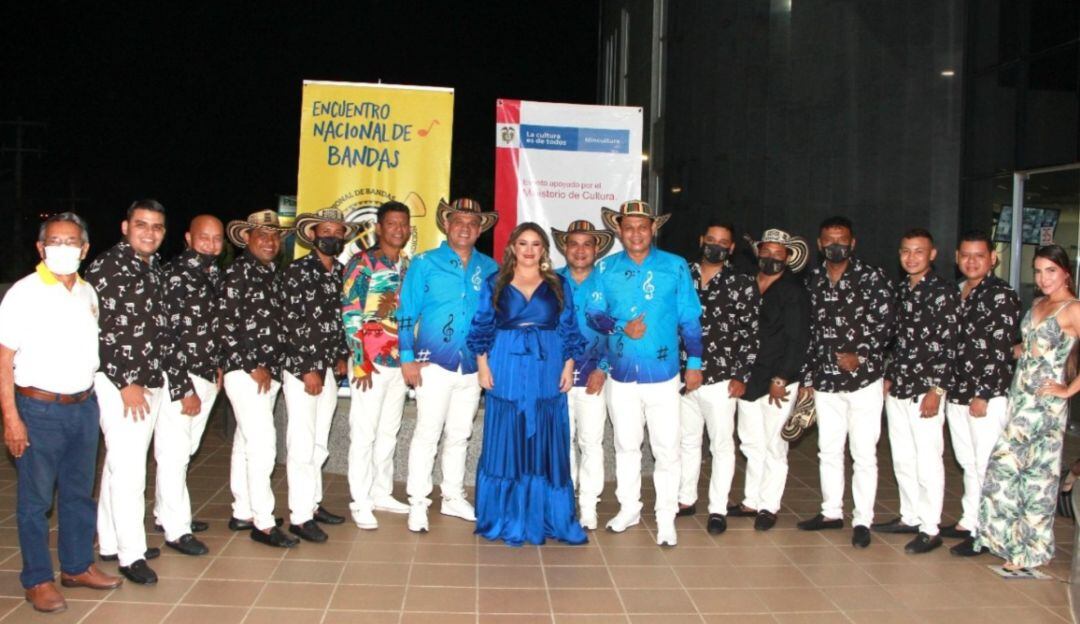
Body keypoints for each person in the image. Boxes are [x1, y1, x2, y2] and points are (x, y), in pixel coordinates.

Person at [0, 213, 123, 612]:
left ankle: (76, 566)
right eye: (55, 241)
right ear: (41, 248)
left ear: (84, 249)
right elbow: (4, 359)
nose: (63, 248)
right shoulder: (24, 293)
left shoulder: (88, 293)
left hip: (82, 407)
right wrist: (11, 418)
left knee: (78, 495)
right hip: (39, 409)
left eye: (72, 242)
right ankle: (37, 579)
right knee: (36, 501)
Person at [587, 200, 703, 547]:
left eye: (642, 226)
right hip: (621, 374)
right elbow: (594, 314)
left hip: (664, 374)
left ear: (653, 229)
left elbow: (690, 318)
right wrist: (622, 326)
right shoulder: (605, 268)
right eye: (629, 227)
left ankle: (666, 516)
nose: (635, 233)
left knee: (667, 448)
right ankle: (629, 509)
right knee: (625, 445)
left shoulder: (675, 266)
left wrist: (694, 363)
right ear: (619, 231)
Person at [467, 223, 588, 546]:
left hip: (547, 365)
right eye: (523, 243)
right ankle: (505, 515)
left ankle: (548, 516)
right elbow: (481, 326)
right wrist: (482, 365)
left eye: (536, 244)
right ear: (512, 247)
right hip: (505, 363)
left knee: (546, 436)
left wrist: (569, 365)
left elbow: (569, 327)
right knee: (507, 433)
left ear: (544, 249)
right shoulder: (495, 282)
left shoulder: (559, 284)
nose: (529, 250)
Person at [975, 244, 1080, 571]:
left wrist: (1067, 390)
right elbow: (1029, 348)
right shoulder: (1038, 304)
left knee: (1036, 477)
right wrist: (1000, 350)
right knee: (1006, 472)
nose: (1043, 278)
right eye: (1038, 271)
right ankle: (1011, 541)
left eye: (1051, 270)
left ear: (1066, 272)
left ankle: (1030, 550)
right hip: (1020, 398)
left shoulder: (1073, 309)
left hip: (1045, 407)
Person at [397, 198, 499, 533]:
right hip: (433, 363)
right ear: (446, 224)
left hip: (471, 365)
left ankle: (453, 496)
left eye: (472, 223)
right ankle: (418, 501)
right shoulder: (425, 262)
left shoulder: (490, 267)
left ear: (480, 230)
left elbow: (495, 318)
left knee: (460, 434)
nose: (465, 228)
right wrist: (407, 357)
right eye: (459, 221)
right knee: (427, 433)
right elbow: (406, 311)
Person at [85, 199, 171, 585]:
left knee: (120, 464)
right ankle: (131, 554)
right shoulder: (108, 267)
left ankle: (110, 540)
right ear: (125, 227)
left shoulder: (151, 267)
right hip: (123, 384)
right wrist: (126, 383)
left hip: (149, 379)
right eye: (142, 224)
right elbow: (101, 332)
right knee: (131, 470)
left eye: (156, 226)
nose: (149, 232)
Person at [797, 216, 893, 549]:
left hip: (864, 381)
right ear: (820, 243)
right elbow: (808, 332)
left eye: (842, 240)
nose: (835, 245)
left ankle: (862, 519)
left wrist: (861, 356)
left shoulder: (872, 277)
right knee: (828, 450)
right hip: (825, 381)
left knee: (863, 453)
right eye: (829, 240)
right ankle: (831, 512)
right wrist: (808, 377)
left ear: (852, 243)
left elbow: (887, 323)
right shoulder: (812, 280)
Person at [875, 228, 959, 554]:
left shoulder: (943, 292)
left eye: (918, 251)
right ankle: (910, 516)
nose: (911, 257)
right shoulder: (901, 290)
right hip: (899, 387)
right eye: (906, 251)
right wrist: (889, 375)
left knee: (928, 460)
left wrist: (937, 389)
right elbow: (897, 342)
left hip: (926, 390)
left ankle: (930, 528)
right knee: (902, 458)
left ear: (932, 254)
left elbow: (951, 345)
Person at [220, 210, 297, 548]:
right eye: (262, 235)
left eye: (275, 235)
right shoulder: (238, 272)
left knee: (246, 441)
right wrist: (252, 365)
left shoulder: (270, 273)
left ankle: (243, 510)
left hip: (268, 372)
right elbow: (226, 323)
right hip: (248, 372)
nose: (270, 241)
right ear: (247, 238)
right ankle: (264, 523)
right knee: (264, 444)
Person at [677, 221, 759, 535]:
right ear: (701, 240)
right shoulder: (682, 274)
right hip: (682, 375)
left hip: (722, 378)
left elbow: (751, 333)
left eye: (723, 242)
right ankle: (685, 499)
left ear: (732, 248)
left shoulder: (742, 282)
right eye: (711, 239)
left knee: (722, 446)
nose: (716, 246)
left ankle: (718, 509)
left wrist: (741, 375)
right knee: (687, 441)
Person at [280, 208, 356, 542]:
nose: (332, 237)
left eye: (338, 233)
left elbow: (341, 319)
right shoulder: (296, 271)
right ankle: (299, 516)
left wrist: (340, 355)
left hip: (329, 368)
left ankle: (312, 503)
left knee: (319, 442)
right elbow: (290, 322)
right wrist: (307, 368)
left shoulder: (340, 272)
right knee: (301, 442)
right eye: (326, 231)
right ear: (312, 234)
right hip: (303, 370)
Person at [944, 231, 1020, 557]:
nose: (971, 261)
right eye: (965, 255)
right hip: (957, 391)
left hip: (984, 396)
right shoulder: (957, 291)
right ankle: (969, 521)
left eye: (979, 255)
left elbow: (1001, 350)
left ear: (993, 258)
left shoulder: (1001, 295)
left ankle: (988, 533)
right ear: (956, 258)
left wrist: (984, 394)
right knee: (967, 462)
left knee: (987, 465)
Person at [152, 215, 224, 557]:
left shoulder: (213, 273)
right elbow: (166, 335)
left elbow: (216, 326)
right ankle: (177, 529)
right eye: (204, 237)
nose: (211, 244)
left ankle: (163, 512)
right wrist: (183, 388)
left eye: (217, 238)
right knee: (174, 453)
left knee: (187, 448)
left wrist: (218, 366)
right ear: (188, 238)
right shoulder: (175, 274)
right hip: (182, 377)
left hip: (207, 374)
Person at [342, 200, 413, 529]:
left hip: (400, 363)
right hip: (370, 363)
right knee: (364, 433)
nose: (399, 229)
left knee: (388, 431)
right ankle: (360, 500)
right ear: (379, 227)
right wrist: (359, 360)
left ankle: (381, 492)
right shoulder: (363, 262)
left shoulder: (407, 265)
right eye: (392, 223)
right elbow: (350, 312)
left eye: (404, 224)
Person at [736, 229, 810, 531]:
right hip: (748, 376)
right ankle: (751, 500)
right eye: (766, 252)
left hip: (777, 379)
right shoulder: (748, 284)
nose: (771, 257)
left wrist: (782, 377)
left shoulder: (793, 291)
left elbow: (798, 338)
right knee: (751, 442)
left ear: (788, 257)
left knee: (774, 445)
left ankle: (769, 505)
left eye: (778, 253)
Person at [551, 220, 614, 530]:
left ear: (596, 249)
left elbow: (617, 330)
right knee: (561, 443)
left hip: (593, 377)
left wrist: (603, 368)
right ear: (564, 248)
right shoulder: (550, 281)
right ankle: (564, 503)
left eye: (586, 244)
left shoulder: (608, 282)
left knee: (590, 443)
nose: (580, 250)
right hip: (555, 378)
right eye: (573, 244)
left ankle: (589, 505)